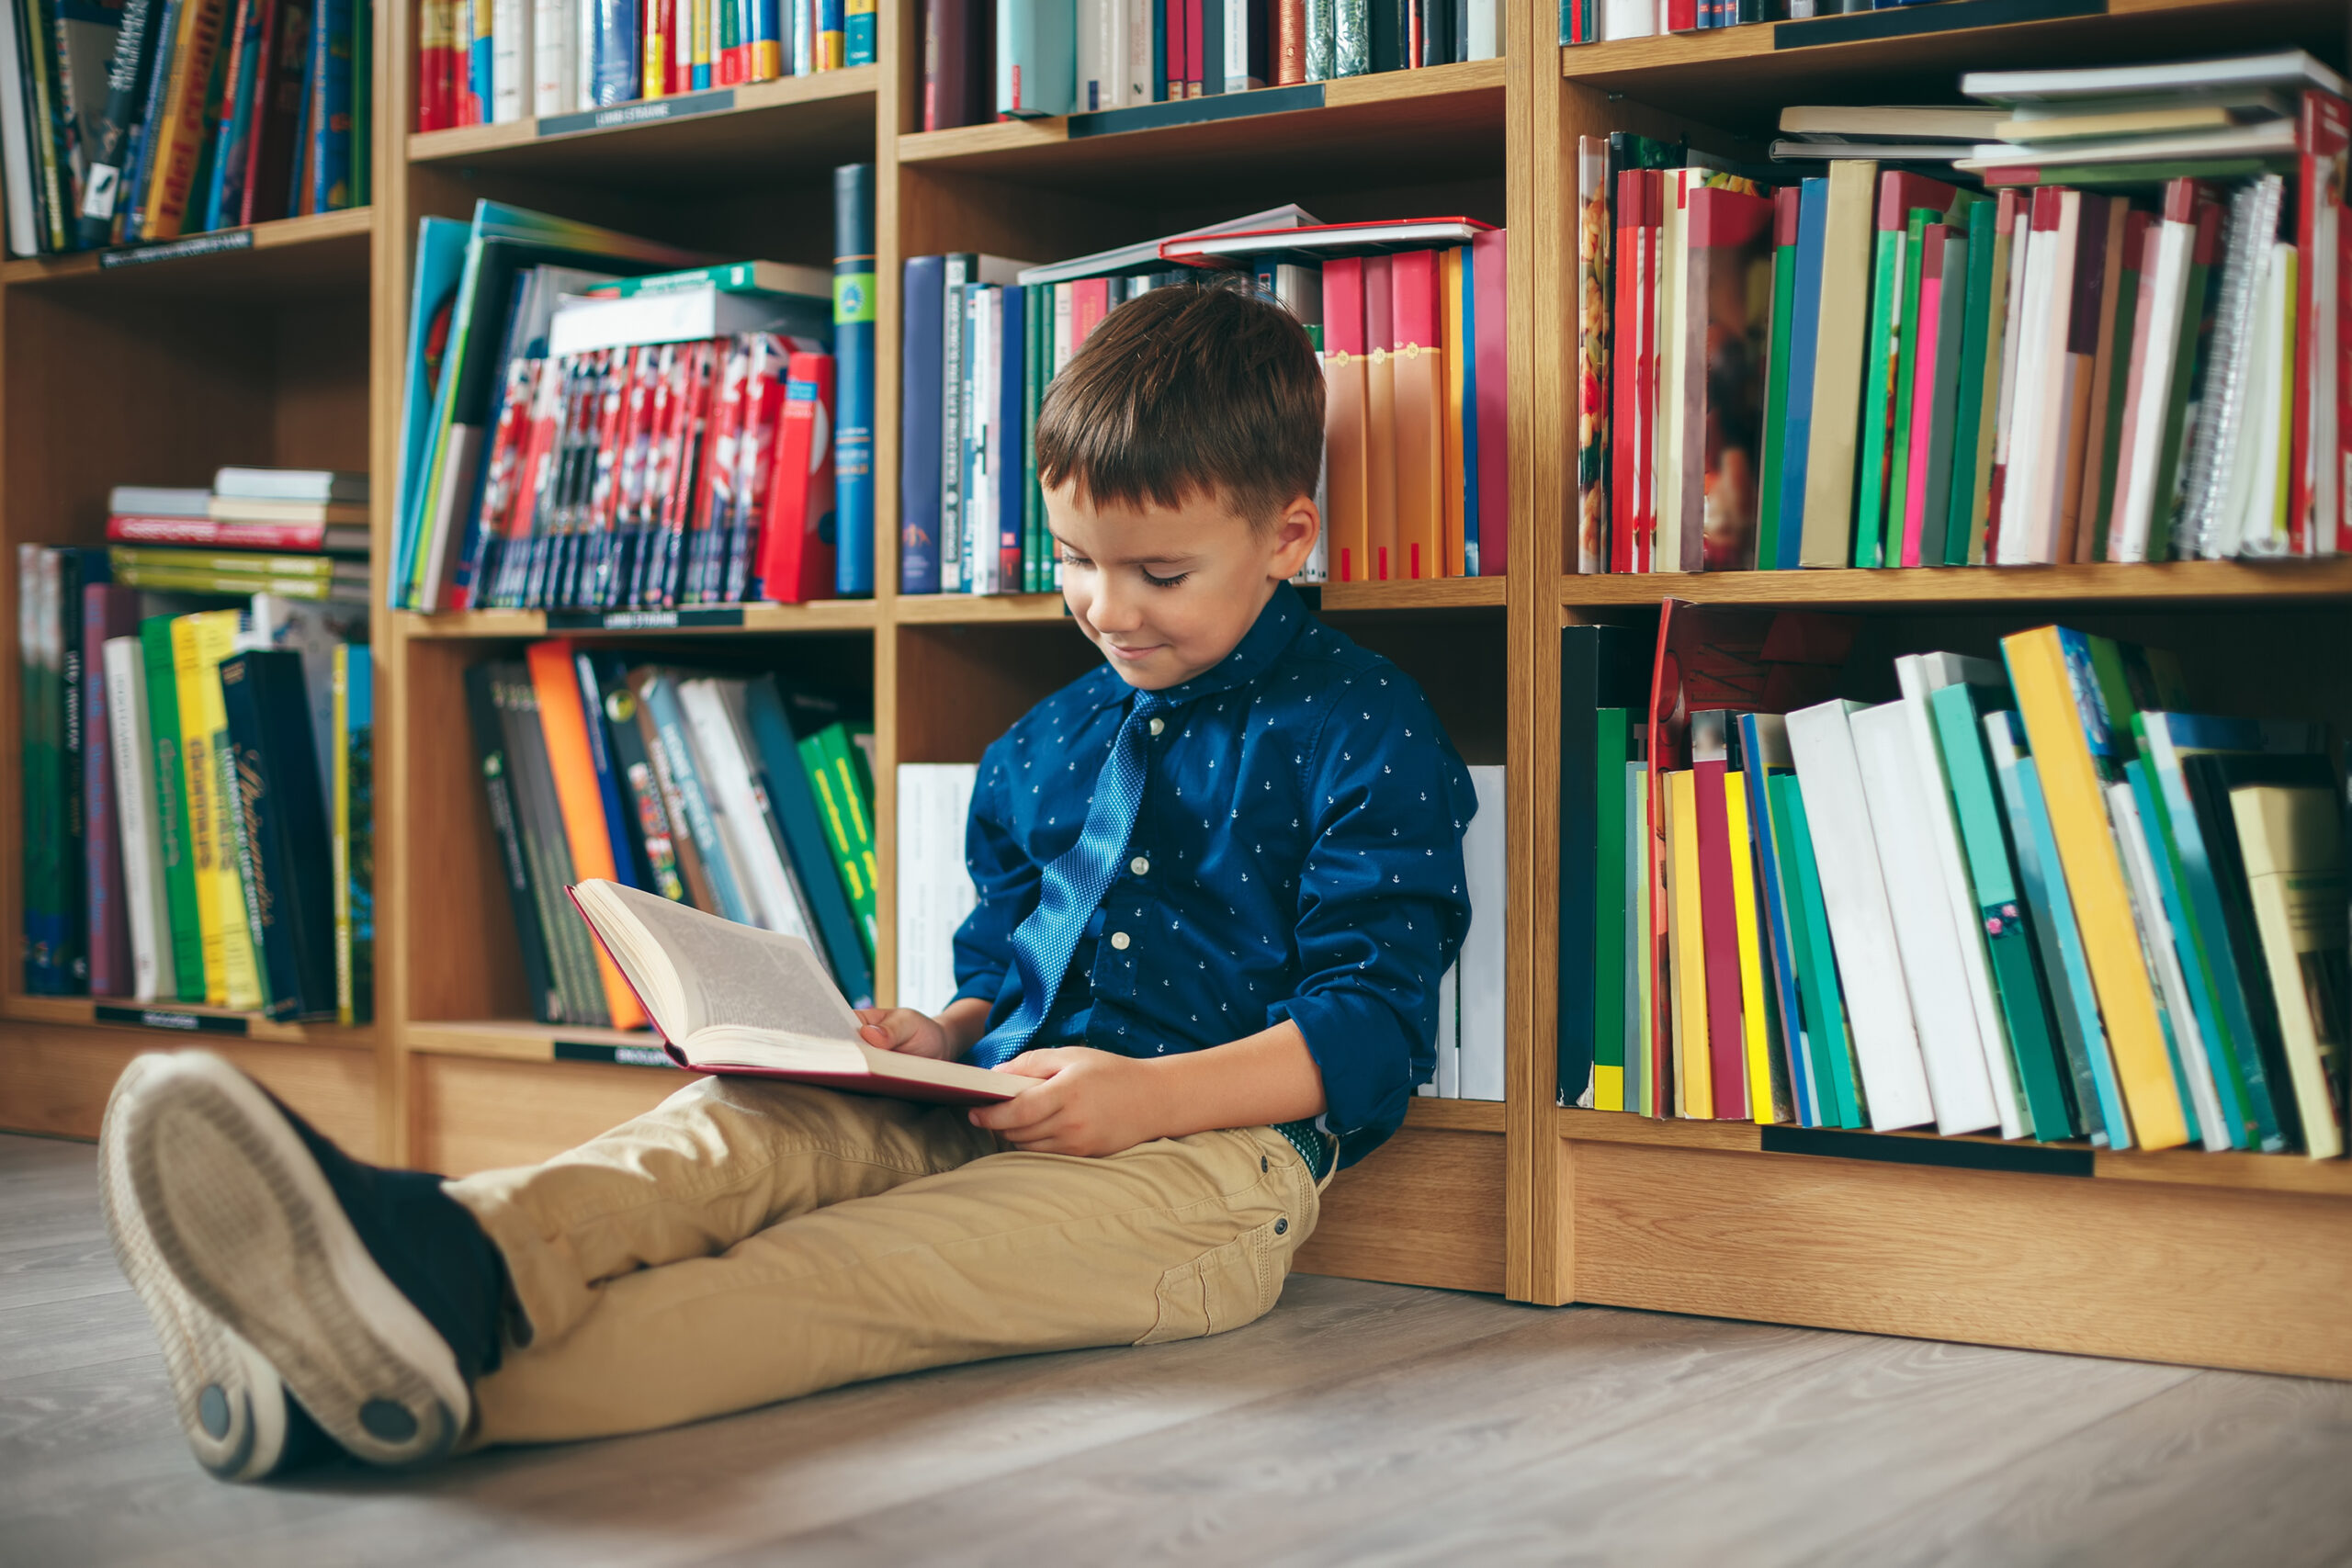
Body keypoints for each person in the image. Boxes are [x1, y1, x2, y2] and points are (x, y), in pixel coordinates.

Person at [98, 276, 1478, 1481]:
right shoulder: (1042, 747)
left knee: (851, 1277)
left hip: (1208, 1171)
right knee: (727, 1138)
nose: (1107, 608)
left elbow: (1374, 1032)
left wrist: (1147, 1098)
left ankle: (340, 1388)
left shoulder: (1365, 731)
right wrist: (937, 1033)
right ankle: (443, 1252)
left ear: (1288, 538)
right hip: (990, 1098)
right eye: (1073, 561)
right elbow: (1001, 966)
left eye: (1158, 573)